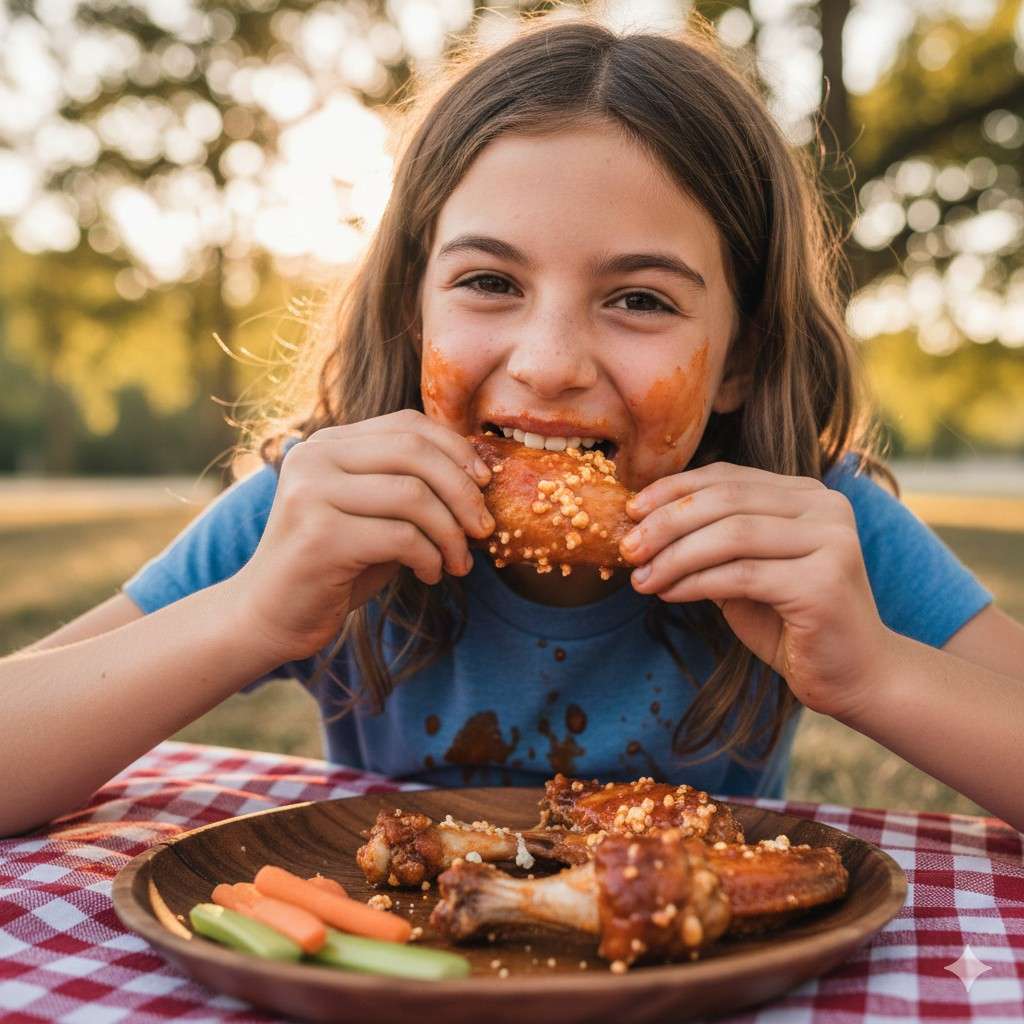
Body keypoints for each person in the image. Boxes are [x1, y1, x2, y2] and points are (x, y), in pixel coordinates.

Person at [4, 18, 1023, 840]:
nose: (546, 361)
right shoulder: (319, 508)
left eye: (639, 300)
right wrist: (252, 613)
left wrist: (872, 670)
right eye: (490, 282)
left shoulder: (808, 532)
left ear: (742, 357)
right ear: (414, 311)